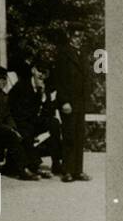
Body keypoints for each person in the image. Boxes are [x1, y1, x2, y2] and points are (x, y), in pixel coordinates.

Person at [0, 66, 38, 180]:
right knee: (12, 136)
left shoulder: (2, 95)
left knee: (21, 133)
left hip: (1, 129)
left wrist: (14, 128)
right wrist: (10, 130)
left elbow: (8, 115)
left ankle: (25, 166)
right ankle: (22, 170)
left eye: (4, 79)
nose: (2, 82)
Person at [10, 61, 63, 177]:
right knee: (27, 129)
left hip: (35, 121)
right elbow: (15, 110)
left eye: (44, 73)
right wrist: (37, 98)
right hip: (22, 121)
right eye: (39, 71)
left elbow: (49, 112)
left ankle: (56, 162)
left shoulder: (45, 87)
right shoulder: (21, 86)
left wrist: (44, 97)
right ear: (33, 70)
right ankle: (33, 165)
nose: (41, 75)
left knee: (54, 122)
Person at [54, 28, 91, 183]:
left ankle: (78, 170)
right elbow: (59, 80)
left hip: (80, 102)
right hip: (68, 102)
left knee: (79, 136)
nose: (78, 39)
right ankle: (67, 171)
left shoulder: (82, 53)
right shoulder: (63, 54)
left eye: (80, 36)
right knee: (69, 136)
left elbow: (86, 77)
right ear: (70, 36)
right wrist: (63, 101)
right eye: (76, 35)